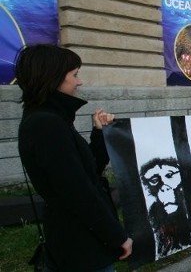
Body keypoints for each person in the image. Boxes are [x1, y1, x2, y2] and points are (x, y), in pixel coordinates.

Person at [15, 44, 133, 271]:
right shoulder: (46, 125)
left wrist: (99, 134)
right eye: (75, 75)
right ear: (54, 78)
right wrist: (117, 236)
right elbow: (78, 192)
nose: (79, 82)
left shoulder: (52, 120)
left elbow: (88, 172)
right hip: (80, 247)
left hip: (83, 242)